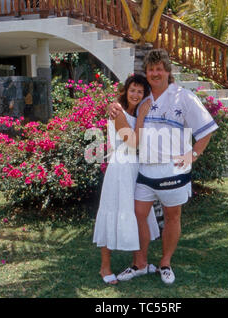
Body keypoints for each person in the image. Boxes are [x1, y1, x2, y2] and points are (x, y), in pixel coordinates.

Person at [108, 49, 218, 284]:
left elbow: (207, 130)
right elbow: (123, 112)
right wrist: (113, 107)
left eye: (159, 69)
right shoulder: (143, 99)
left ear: (168, 71)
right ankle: (140, 263)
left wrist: (193, 155)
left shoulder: (184, 97)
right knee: (138, 215)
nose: (155, 73)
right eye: (151, 69)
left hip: (173, 171)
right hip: (145, 170)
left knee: (172, 217)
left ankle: (165, 263)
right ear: (146, 73)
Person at [93, 74, 161, 284]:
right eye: (133, 90)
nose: (136, 94)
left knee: (139, 215)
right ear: (126, 91)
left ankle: (140, 262)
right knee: (113, 212)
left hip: (136, 169)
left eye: (140, 91)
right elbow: (132, 142)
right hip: (120, 170)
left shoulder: (140, 112)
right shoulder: (118, 112)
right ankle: (105, 268)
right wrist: (142, 115)